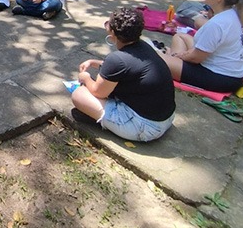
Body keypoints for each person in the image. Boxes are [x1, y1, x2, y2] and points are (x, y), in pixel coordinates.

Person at [71, 8, 175, 141]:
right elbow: (126, 67)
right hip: (166, 118)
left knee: (79, 94)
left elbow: (98, 92)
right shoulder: (144, 46)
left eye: (108, 23)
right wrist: (94, 62)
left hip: (146, 127)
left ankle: (103, 122)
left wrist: (85, 78)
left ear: (113, 33)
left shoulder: (116, 59)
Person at [160, 0, 243, 93]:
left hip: (221, 78)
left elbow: (196, 58)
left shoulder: (217, 24)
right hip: (234, 72)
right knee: (180, 36)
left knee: (157, 58)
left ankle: (172, 58)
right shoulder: (234, 14)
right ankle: (173, 60)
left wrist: (179, 55)